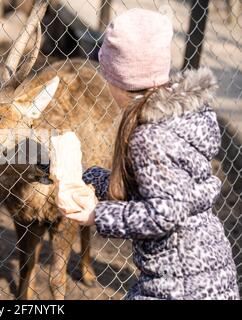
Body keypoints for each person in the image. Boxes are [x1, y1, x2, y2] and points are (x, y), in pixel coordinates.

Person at [56, 8, 240, 300]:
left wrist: (98, 214)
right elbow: (155, 189)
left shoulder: (149, 136)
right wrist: (87, 178)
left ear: (117, 78)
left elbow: (162, 213)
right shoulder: (183, 115)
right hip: (208, 268)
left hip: (179, 283)